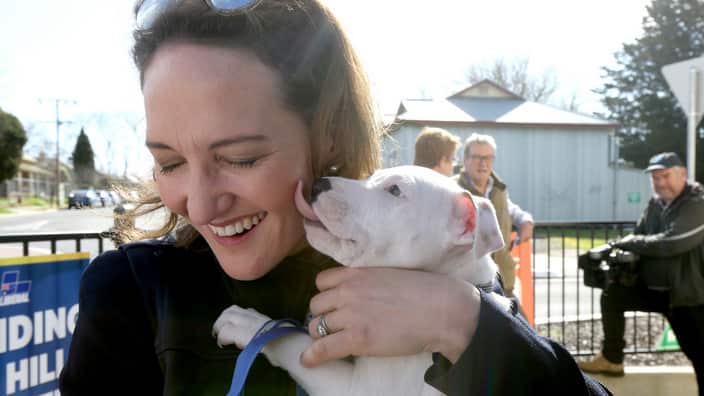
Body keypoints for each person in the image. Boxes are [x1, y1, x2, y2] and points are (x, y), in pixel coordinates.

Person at [59, 1, 610, 394]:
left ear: (326, 132)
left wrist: (464, 323)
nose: (200, 206)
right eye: (170, 163)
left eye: (241, 158)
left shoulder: (432, 265)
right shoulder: (131, 293)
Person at [579, 152, 704, 394]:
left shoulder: (698, 203)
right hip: (654, 290)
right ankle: (612, 357)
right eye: (655, 178)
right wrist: (612, 251)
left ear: (683, 174)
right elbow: (638, 235)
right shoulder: (655, 203)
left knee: (700, 356)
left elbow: (673, 242)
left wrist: (629, 242)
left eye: (665, 176)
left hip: (688, 297)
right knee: (613, 295)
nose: (660, 183)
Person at [453, 133, 534, 298]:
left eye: (488, 157)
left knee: (522, 324)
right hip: (469, 288)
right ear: (465, 160)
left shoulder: (498, 189)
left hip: (504, 283)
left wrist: (526, 221)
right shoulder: (452, 189)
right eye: (477, 157)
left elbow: (510, 209)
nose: (483, 163)